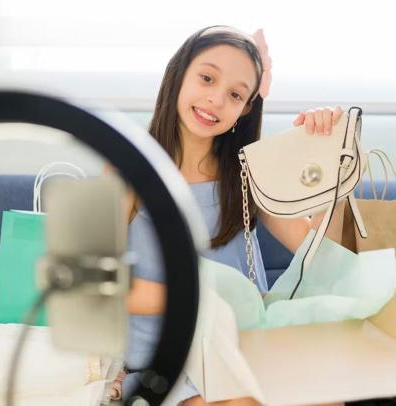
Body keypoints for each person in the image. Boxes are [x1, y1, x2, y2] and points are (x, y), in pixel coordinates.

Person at [120, 25, 344, 406]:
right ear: (178, 75)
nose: (215, 100)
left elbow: (322, 255)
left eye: (235, 94)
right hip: (167, 365)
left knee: (325, 397)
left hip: (244, 348)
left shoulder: (247, 175)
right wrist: (205, 297)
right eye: (206, 78)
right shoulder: (129, 173)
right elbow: (94, 289)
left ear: (245, 109)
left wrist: (327, 161)